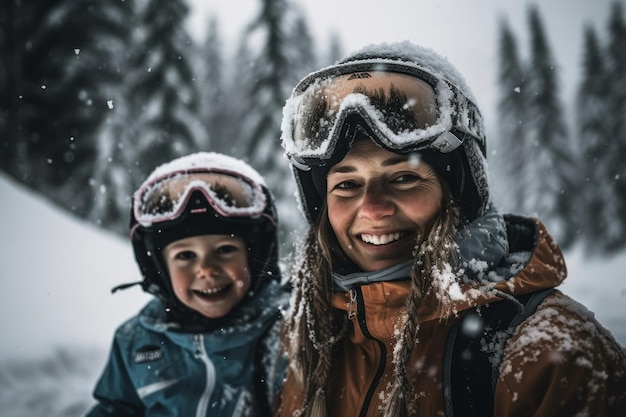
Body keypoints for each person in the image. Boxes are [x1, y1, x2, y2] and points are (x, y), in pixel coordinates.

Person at [274, 41, 626, 417]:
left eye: (404, 177)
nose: (373, 208)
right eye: (347, 185)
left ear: (460, 195)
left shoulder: (552, 354)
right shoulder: (303, 340)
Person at [86, 152, 289, 417]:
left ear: (256, 258)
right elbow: (115, 410)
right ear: (159, 271)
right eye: (185, 256)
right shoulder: (136, 341)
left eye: (225, 249)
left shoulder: (287, 330)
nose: (206, 269)